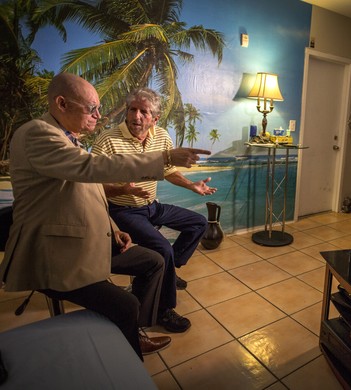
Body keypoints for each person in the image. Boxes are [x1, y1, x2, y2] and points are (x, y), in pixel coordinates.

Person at [0, 72, 210, 359]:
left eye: (99, 108)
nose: (99, 115)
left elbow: (88, 192)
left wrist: (113, 228)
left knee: (156, 260)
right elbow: (94, 169)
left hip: (105, 229)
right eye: (92, 109)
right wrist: (165, 158)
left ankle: (135, 327)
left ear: (154, 118)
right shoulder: (39, 134)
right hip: (60, 250)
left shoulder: (68, 138)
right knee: (127, 302)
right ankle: (128, 344)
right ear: (61, 104)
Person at [91, 88, 216, 333]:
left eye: (143, 112)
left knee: (198, 223)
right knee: (162, 249)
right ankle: (163, 310)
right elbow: (91, 183)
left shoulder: (161, 136)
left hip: (152, 206)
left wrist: (192, 186)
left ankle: (170, 270)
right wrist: (120, 190)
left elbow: (167, 170)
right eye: (132, 109)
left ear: (154, 119)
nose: (136, 116)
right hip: (122, 211)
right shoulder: (108, 139)